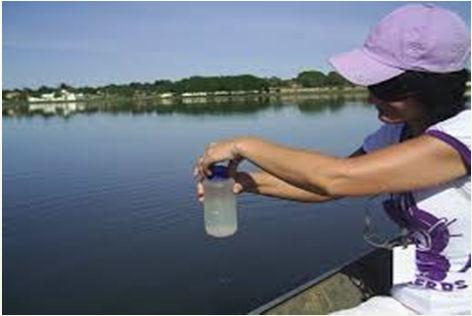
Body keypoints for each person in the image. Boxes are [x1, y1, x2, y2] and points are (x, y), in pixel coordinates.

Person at [194, 4, 470, 314]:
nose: (371, 97)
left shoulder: (465, 134)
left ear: (432, 88)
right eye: (370, 85)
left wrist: (244, 145)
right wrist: (246, 183)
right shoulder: (398, 134)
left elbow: (337, 179)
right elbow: (324, 185)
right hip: (407, 302)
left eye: (385, 87)